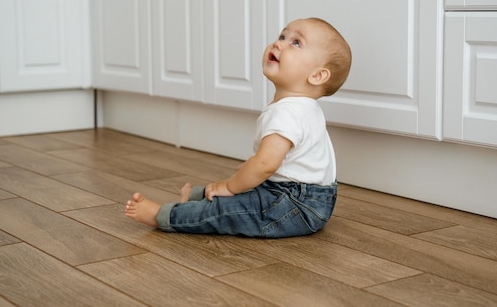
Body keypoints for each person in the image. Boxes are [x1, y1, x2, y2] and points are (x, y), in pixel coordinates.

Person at [125, 17, 352, 237]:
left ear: (317, 75)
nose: (279, 43)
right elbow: (290, 160)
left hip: (294, 205)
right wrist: (253, 170)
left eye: (296, 42)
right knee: (249, 186)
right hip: (313, 200)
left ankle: (163, 216)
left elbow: (265, 165)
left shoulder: (288, 111)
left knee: (228, 212)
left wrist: (230, 186)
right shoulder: (306, 108)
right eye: (282, 35)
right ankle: (197, 197)